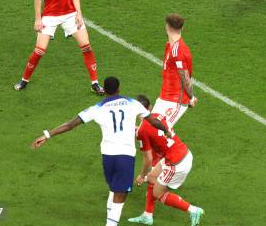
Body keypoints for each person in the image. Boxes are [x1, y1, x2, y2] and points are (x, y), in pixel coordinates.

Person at [31, 76, 169, 226]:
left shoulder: (97, 108)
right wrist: (166, 130)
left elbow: (71, 124)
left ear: (104, 91)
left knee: (114, 188)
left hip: (108, 157)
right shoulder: (133, 103)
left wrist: (47, 135)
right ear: (119, 89)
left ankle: (110, 221)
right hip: (125, 156)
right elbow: (153, 121)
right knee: (120, 194)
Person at [14, 0, 104, 95]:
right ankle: (24, 80)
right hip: (50, 15)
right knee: (40, 50)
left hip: (70, 14)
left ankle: (95, 83)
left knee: (87, 46)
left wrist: (79, 12)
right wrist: (37, 18)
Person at [127, 104, 204, 226]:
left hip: (176, 163)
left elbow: (148, 159)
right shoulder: (158, 116)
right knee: (152, 177)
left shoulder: (142, 130)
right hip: (180, 152)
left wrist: (142, 176)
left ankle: (193, 210)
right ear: (149, 108)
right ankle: (147, 216)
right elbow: (149, 130)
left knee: (158, 193)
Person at [151, 14, 197, 127]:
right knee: (149, 130)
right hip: (164, 97)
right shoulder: (171, 46)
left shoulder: (177, 51)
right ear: (182, 28)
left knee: (159, 132)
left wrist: (191, 97)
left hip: (175, 101)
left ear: (168, 27)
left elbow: (185, 76)